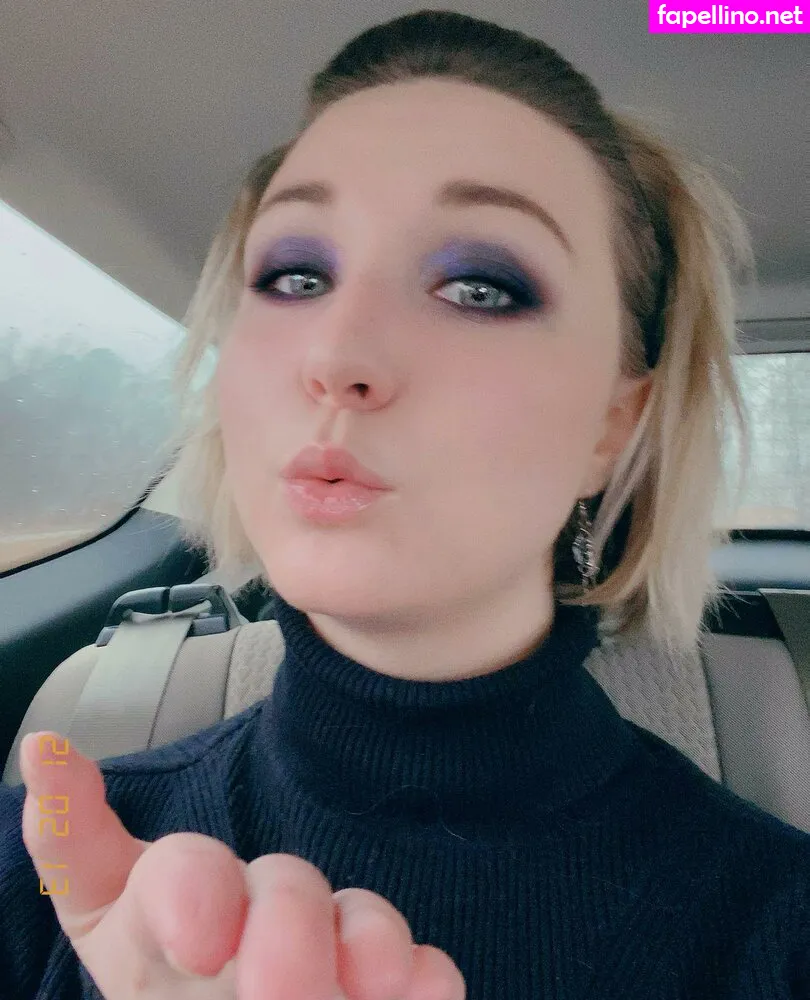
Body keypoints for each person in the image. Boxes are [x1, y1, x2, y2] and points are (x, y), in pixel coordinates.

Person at [1, 8, 808, 999]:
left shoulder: (780, 933)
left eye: (479, 288)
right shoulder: (42, 868)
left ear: (613, 424)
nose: (337, 356)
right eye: (295, 274)